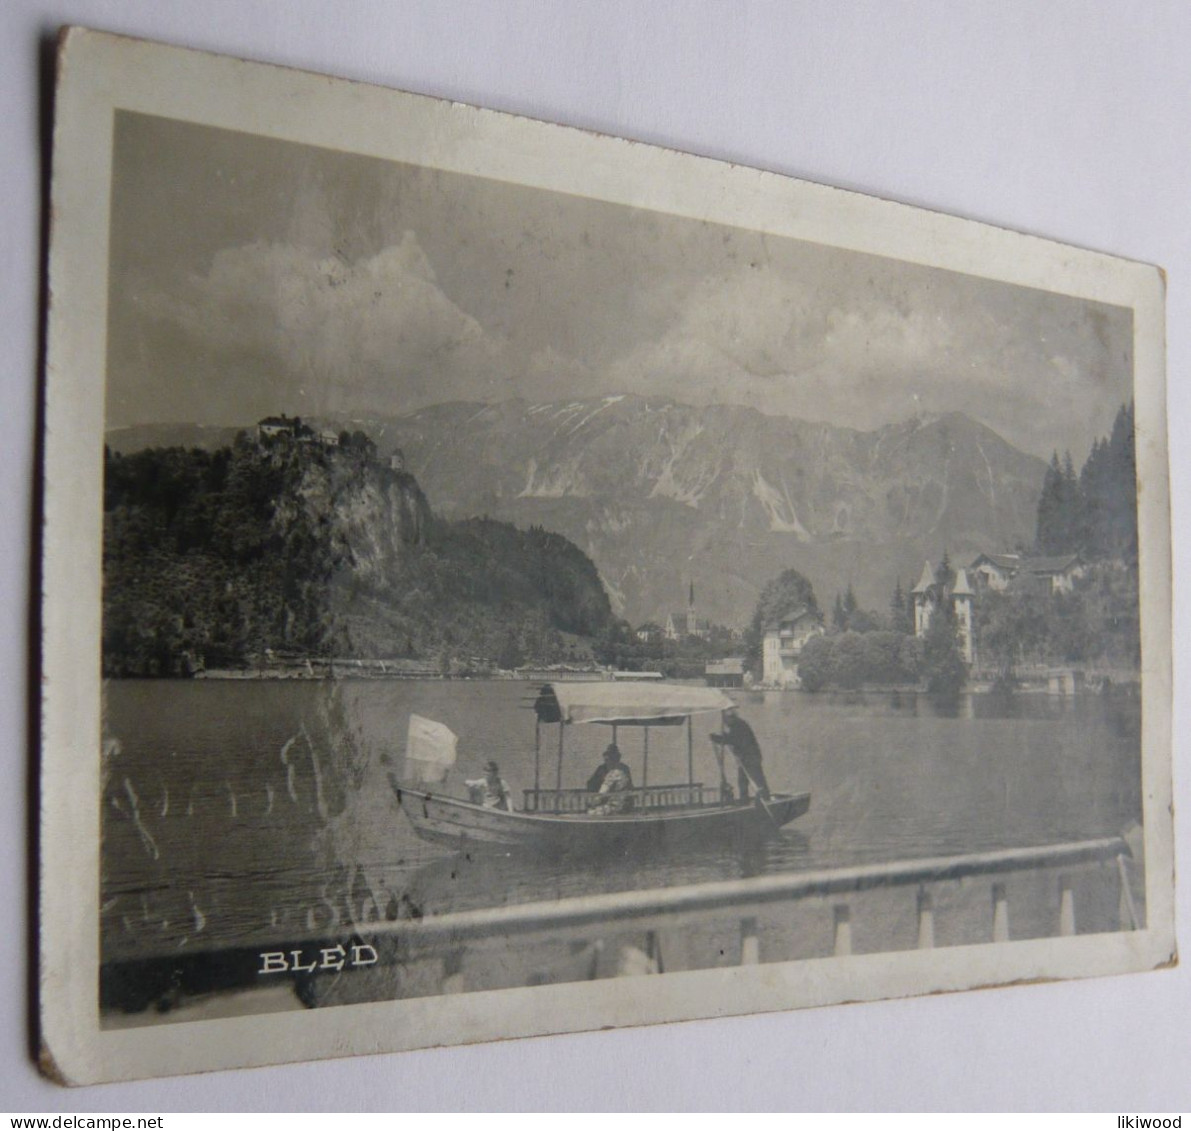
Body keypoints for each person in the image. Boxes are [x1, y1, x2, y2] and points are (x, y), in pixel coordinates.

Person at [710, 708, 771, 801]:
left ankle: (765, 798)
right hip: (744, 759)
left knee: (757, 779)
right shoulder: (735, 726)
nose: (725, 723)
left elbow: (733, 740)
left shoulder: (739, 725)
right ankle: (744, 800)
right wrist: (720, 738)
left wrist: (718, 738)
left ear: (731, 718)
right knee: (742, 781)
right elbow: (731, 739)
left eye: (726, 720)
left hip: (751, 758)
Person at [586, 743, 634, 815]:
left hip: (615, 805)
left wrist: (593, 802)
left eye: (608, 759)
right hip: (625, 804)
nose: (606, 761)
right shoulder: (624, 768)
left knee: (591, 812)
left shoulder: (614, 773)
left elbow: (603, 792)